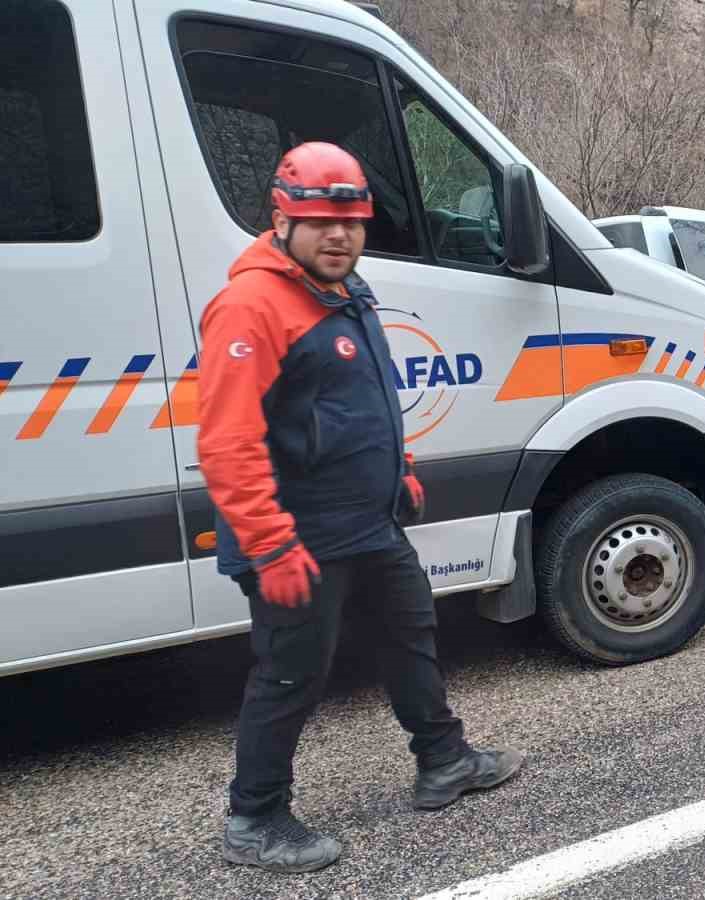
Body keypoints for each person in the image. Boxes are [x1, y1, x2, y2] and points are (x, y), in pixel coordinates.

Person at [198, 142, 524, 874]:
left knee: (412, 632)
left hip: (367, 520)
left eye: (351, 222)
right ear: (280, 218)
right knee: (292, 674)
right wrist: (271, 544)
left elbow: (366, 395)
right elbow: (227, 441)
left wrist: (398, 466)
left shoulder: (345, 288)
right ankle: (254, 818)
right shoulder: (250, 306)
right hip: (298, 534)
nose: (338, 236)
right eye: (318, 223)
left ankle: (443, 760)